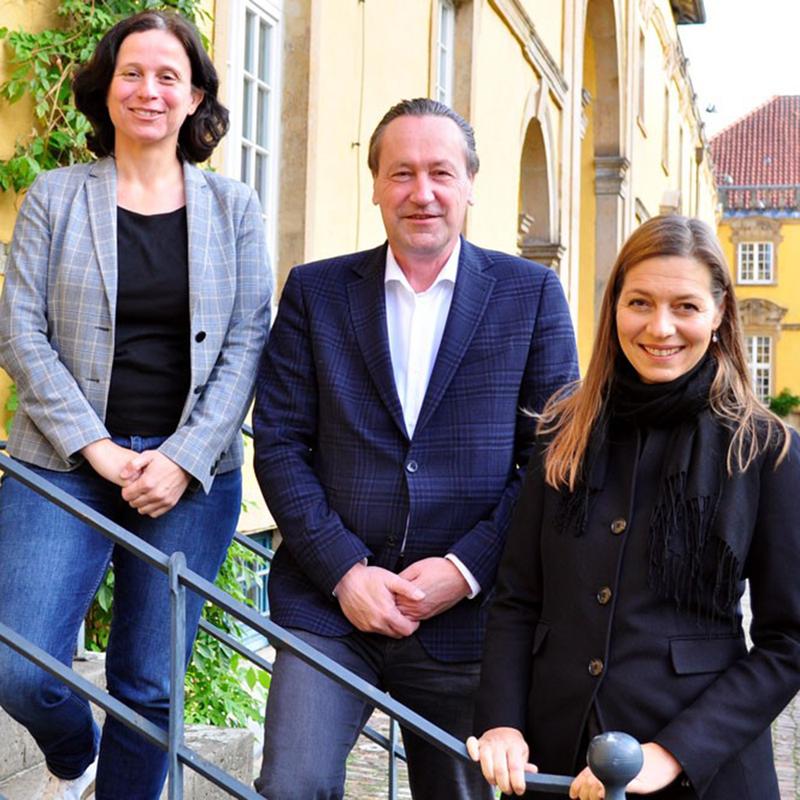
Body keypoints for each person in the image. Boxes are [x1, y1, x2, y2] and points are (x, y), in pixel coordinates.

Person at [252, 97, 579, 799]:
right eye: (401, 173)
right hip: (331, 608)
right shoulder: (316, 292)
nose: (421, 193)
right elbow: (280, 444)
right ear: (374, 184)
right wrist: (346, 573)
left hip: (469, 616)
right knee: (290, 786)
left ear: (469, 185)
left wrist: (463, 569)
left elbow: (552, 457)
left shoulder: (533, 295)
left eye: (440, 172)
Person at [0, 10, 271, 800]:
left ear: (194, 100)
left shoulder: (234, 209)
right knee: (19, 663)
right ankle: (73, 756)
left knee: (149, 687)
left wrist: (183, 460)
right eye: (131, 73)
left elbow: (247, 341)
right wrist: (101, 451)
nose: (148, 90)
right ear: (105, 88)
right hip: (65, 463)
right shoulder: (56, 197)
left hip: (191, 477)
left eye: (167, 76)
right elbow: (20, 333)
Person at [466, 215, 800, 800]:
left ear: (720, 314)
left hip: (704, 769)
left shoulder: (765, 450)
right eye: (640, 302)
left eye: (686, 306)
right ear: (614, 305)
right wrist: (501, 722)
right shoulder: (562, 431)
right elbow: (517, 599)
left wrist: (673, 753)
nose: (660, 327)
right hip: (558, 761)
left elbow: (789, 642)